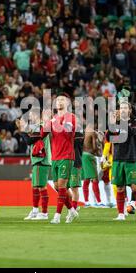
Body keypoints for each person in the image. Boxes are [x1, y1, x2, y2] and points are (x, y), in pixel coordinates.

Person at [42, 95, 78, 224]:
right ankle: (72, 211)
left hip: (67, 156)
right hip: (55, 156)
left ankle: (57, 216)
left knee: (62, 185)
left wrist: (54, 122)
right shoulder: (53, 119)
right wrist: (45, 122)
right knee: (57, 186)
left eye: (62, 100)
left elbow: (68, 132)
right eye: (57, 100)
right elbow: (42, 134)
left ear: (67, 103)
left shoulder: (71, 117)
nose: (59, 102)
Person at [109, 100, 136, 221]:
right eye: (121, 108)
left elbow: (132, 133)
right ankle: (120, 214)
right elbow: (109, 137)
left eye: (125, 108)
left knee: (134, 187)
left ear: (130, 110)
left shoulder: (135, 122)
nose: (123, 110)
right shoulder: (116, 122)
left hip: (131, 157)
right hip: (118, 157)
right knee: (120, 187)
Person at [16, 108, 51, 221]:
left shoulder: (41, 125)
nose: (29, 116)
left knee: (42, 187)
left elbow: (29, 141)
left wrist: (22, 130)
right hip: (38, 160)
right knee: (36, 186)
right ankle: (35, 210)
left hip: (42, 160)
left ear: (35, 115)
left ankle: (44, 213)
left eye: (30, 114)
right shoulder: (36, 126)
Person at [82, 120, 103, 208]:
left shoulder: (85, 132)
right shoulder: (93, 133)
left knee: (86, 179)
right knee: (95, 179)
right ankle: (98, 202)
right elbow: (94, 147)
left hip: (84, 155)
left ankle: (86, 202)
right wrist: (100, 144)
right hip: (90, 156)